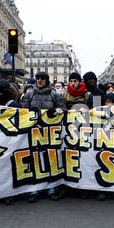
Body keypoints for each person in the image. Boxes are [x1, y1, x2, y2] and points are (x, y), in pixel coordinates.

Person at [22, 72, 67, 203]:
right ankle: (34, 190)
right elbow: (22, 112)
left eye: (42, 79)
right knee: (34, 160)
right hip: (34, 132)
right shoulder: (30, 94)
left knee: (49, 159)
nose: (39, 81)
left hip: (50, 132)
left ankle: (50, 189)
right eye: (38, 79)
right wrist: (31, 110)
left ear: (47, 81)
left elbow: (63, 109)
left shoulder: (55, 94)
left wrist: (55, 111)